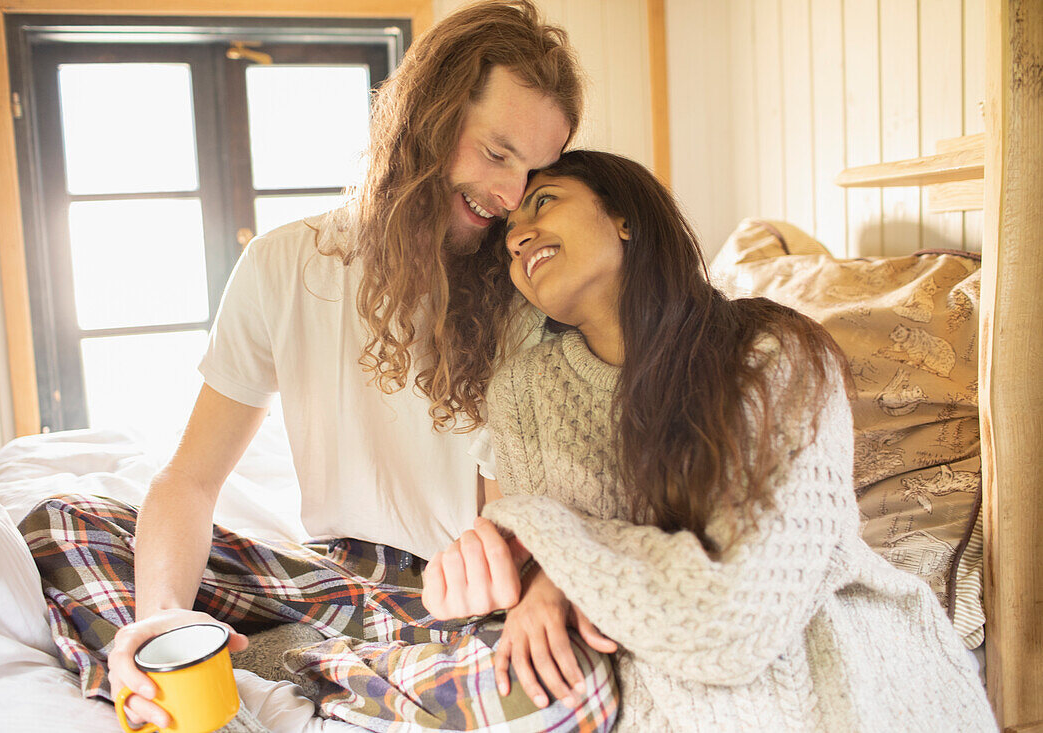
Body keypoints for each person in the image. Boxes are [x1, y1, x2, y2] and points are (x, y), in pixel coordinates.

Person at [19, 3, 620, 731]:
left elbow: (525, 514)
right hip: (326, 582)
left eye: (533, 172)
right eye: (497, 154)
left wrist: (536, 582)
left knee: (573, 691)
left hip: (451, 604)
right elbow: (188, 479)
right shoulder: (281, 263)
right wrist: (161, 628)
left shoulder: (522, 292)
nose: (510, 197)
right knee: (62, 523)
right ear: (427, 118)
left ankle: (298, 673)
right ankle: (266, 667)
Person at [420, 150, 997, 730]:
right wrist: (540, 581)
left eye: (543, 202)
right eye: (509, 235)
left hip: (833, 664)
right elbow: (561, 579)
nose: (518, 236)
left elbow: (740, 611)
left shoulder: (772, 351)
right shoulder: (521, 393)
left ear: (626, 217)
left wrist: (549, 546)